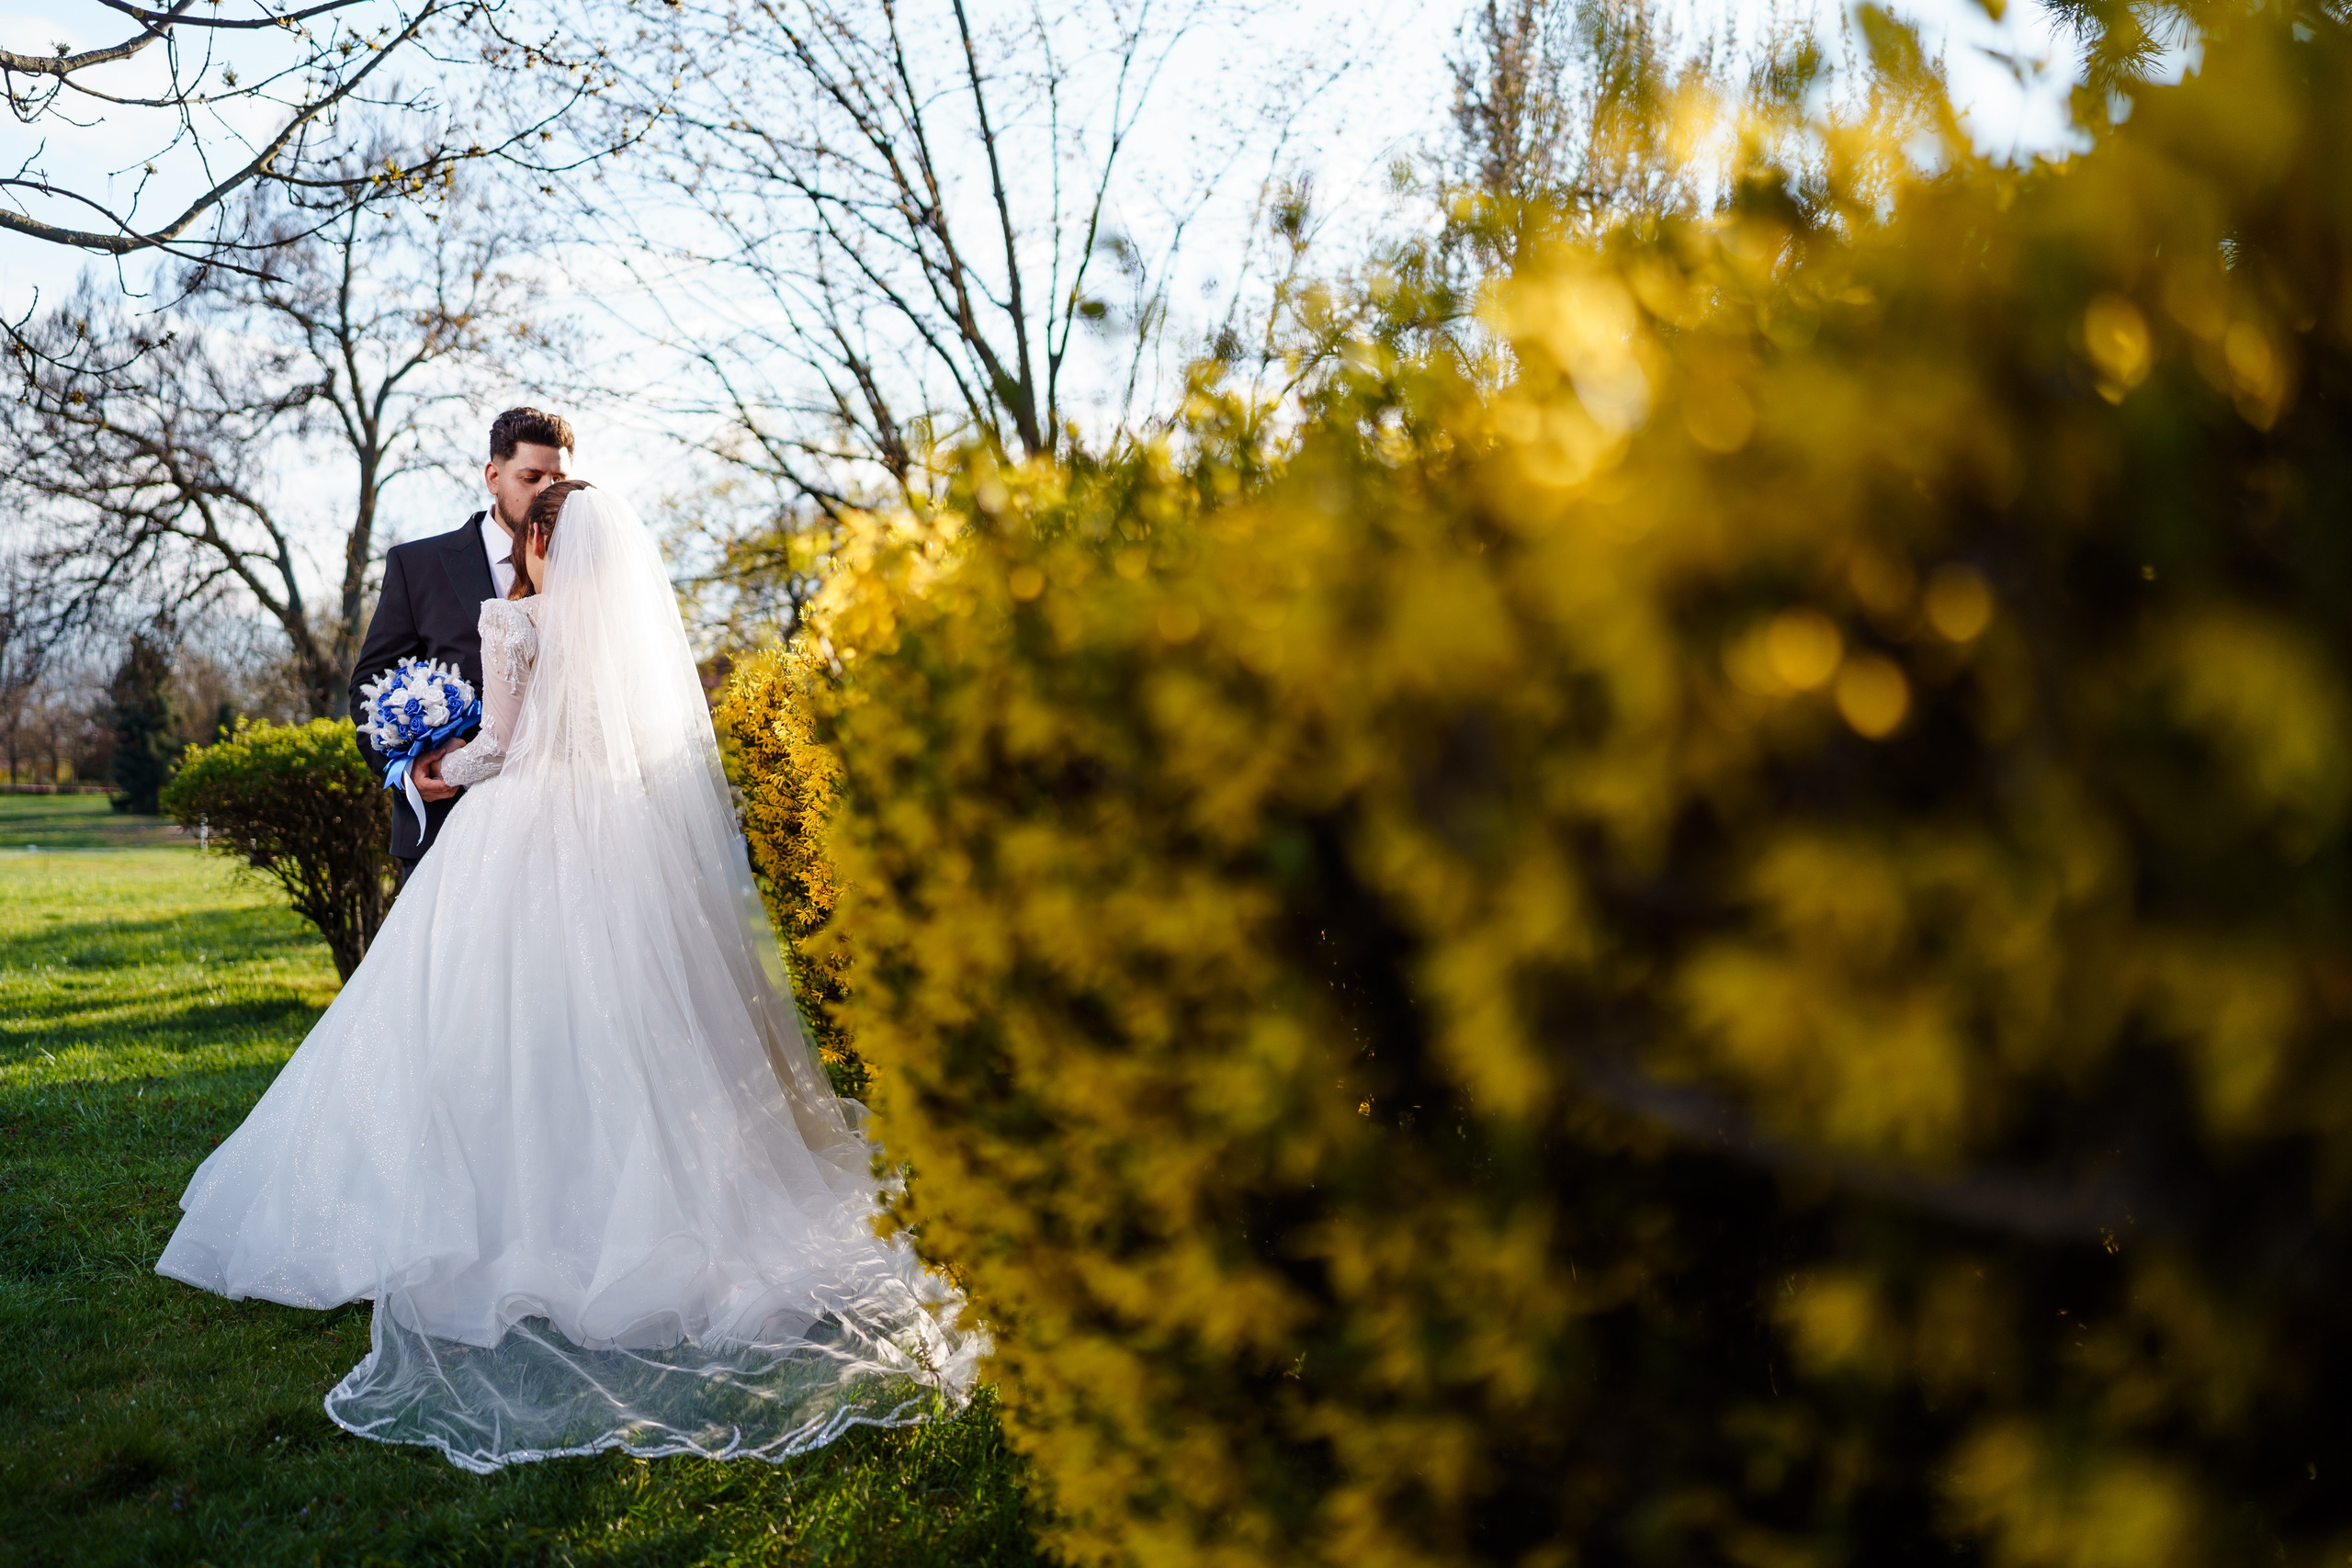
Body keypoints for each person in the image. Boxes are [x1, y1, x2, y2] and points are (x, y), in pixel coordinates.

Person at [158, 479, 977, 1471]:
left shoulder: (512, 618)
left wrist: (429, 766)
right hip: (619, 835)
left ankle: (500, 1197)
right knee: (634, 1022)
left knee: (481, 1019)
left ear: (541, 546)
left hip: (517, 830)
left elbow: (499, 747)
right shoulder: (622, 643)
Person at [348, 408, 572, 886]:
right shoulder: (417, 564)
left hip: (563, 834)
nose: (546, 492)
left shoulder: (589, 575)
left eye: (558, 478)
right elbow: (369, 684)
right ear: (494, 476)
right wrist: (403, 768)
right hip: (444, 830)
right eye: (531, 477)